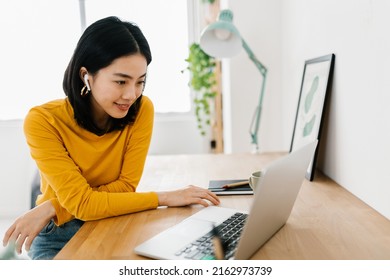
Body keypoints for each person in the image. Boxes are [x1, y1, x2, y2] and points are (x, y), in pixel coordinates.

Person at [2, 16, 220, 260]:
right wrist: (166, 197)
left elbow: (125, 187)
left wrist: (54, 206)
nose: (131, 94)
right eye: (120, 81)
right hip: (58, 235)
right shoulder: (43, 121)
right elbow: (83, 204)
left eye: (140, 82)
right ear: (86, 76)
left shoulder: (141, 109)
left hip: (114, 219)